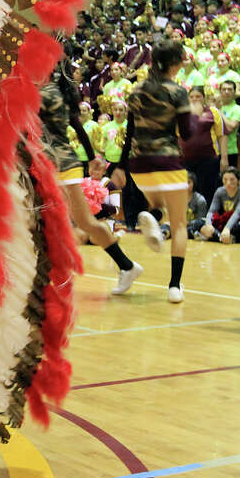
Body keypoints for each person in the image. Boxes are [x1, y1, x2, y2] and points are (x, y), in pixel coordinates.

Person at [40, 60, 143, 294]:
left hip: (59, 164)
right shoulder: (55, 90)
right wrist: (89, 158)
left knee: (74, 222)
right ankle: (125, 266)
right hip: (59, 163)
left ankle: (125, 266)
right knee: (76, 221)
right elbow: (76, 125)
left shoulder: (45, 92)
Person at [126, 39, 195, 303]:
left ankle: (151, 214)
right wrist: (196, 115)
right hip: (167, 161)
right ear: (176, 63)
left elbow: (130, 129)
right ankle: (174, 285)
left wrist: (122, 165)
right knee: (179, 224)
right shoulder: (177, 91)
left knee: (159, 206)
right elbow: (187, 133)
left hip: (138, 163)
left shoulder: (137, 89)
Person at [199, 167, 240, 243]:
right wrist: (208, 225)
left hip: (239, 223)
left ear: (239, 181)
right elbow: (211, 211)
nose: (228, 183)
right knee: (198, 222)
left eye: (232, 180)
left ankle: (215, 236)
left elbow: (237, 214)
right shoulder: (220, 191)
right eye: (225, 179)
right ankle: (222, 238)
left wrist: (227, 228)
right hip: (224, 222)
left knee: (239, 228)